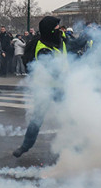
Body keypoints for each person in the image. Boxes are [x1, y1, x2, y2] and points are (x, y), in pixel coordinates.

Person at [13, 16, 66, 158]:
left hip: (60, 87)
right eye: (56, 27)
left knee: (70, 116)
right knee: (37, 118)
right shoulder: (42, 48)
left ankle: (76, 146)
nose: (59, 29)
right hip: (46, 89)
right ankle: (25, 146)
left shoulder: (58, 41)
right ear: (49, 30)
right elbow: (51, 71)